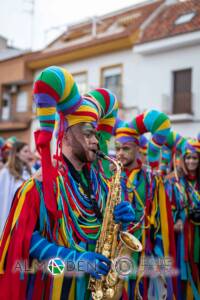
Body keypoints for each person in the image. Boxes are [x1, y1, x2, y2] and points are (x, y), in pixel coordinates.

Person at [0, 66, 135, 300]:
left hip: (101, 286)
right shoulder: (38, 186)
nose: (95, 141)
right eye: (87, 133)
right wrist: (77, 261)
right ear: (65, 133)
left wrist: (121, 222)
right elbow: (24, 240)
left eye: (96, 135)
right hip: (57, 288)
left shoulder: (103, 185)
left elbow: (106, 232)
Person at [113, 111, 174, 299]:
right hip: (115, 253)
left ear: (138, 149)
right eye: (118, 148)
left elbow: (161, 223)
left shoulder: (152, 181)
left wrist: (157, 253)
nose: (120, 153)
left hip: (143, 254)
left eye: (126, 149)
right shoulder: (109, 178)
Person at [165, 138, 200, 300]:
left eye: (195, 157)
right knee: (186, 268)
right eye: (188, 157)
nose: (191, 161)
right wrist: (178, 219)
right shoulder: (175, 181)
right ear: (183, 160)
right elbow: (171, 207)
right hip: (185, 234)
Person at [0, 140, 33, 237]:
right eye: (26, 151)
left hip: (27, 219)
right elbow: (3, 201)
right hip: (12, 221)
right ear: (17, 154)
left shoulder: (30, 171)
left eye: (29, 151)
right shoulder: (6, 173)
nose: (29, 154)